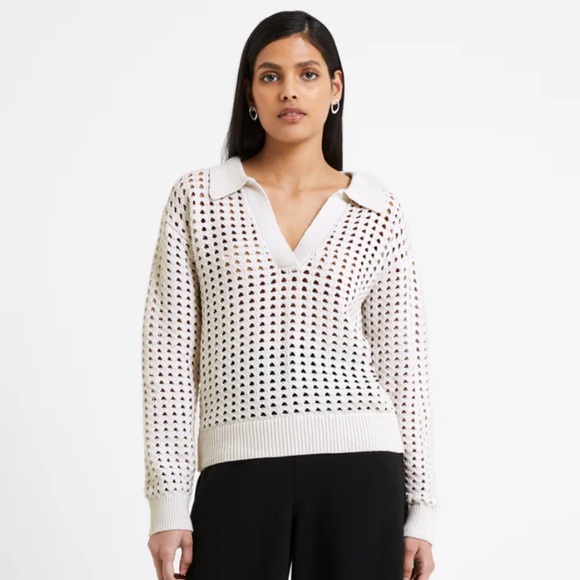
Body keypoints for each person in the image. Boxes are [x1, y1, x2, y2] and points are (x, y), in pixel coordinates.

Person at [141, 10, 440, 580]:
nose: (289, 91)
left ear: (335, 87)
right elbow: (168, 357)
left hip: (361, 467)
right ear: (250, 93)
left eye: (307, 74)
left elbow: (404, 363)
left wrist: (420, 509)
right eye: (270, 75)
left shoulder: (376, 209)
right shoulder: (199, 198)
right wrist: (169, 503)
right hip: (236, 466)